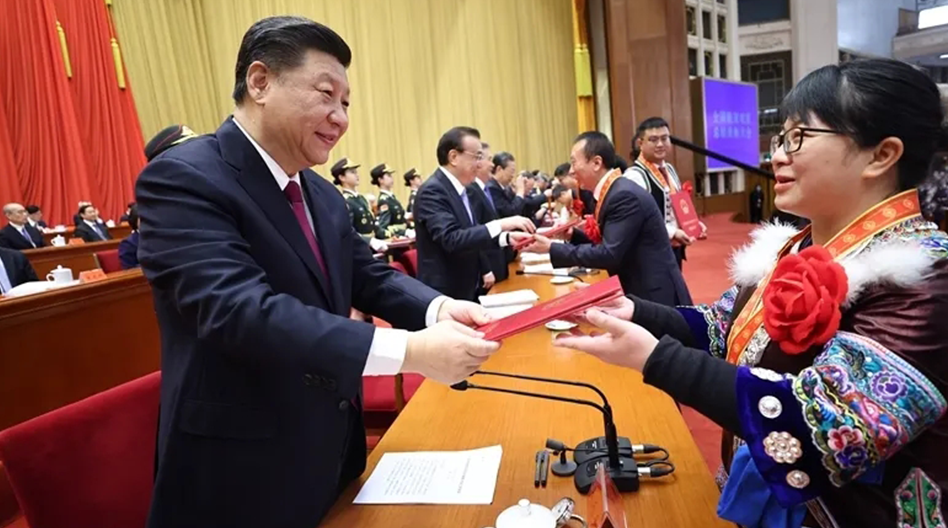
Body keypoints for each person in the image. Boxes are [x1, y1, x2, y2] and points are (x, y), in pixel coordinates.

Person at [134, 17, 500, 528]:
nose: (341, 118)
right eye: (326, 94)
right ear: (260, 82)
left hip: (330, 455)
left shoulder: (320, 192)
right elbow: (238, 311)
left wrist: (438, 308)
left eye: (347, 103)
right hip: (240, 474)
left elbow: (367, 276)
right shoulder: (184, 177)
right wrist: (410, 352)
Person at [555, 58, 948, 528]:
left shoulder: (925, 277)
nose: (777, 155)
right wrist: (632, 310)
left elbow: (827, 427)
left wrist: (656, 359)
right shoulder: (796, 245)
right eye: (781, 137)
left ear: (881, 155)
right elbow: (723, 328)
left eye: (799, 137)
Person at [525, 132, 691, 306]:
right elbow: (611, 242)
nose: (571, 171)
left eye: (574, 162)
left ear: (597, 163)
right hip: (640, 286)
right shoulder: (614, 190)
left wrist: (552, 248)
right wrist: (573, 235)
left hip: (654, 293)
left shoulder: (623, 195)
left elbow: (610, 254)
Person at [413, 126, 535, 301]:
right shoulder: (433, 191)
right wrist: (501, 224)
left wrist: (506, 238)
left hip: (466, 287)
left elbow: (471, 234)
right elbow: (452, 239)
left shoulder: (461, 189)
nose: (480, 164)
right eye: (476, 156)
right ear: (453, 157)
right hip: (447, 292)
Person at [624, 117, 707, 269]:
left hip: (674, 250)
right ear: (640, 143)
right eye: (653, 140)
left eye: (664, 138)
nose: (660, 144)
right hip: (650, 255)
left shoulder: (669, 169)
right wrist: (673, 233)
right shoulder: (634, 176)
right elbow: (639, 219)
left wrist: (693, 225)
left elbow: (676, 206)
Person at [466, 141, 508, 293]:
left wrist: (508, 238)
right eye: (489, 159)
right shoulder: (471, 190)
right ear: (478, 161)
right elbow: (475, 231)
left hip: (497, 261)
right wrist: (485, 269)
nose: (492, 165)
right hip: (488, 269)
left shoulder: (483, 189)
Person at [486, 152, 548, 218]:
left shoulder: (506, 188)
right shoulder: (492, 188)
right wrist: (520, 191)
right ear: (499, 169)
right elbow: (511, 213)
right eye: (511, 171)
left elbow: (525, 206)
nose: (513, 175)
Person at [371, 164, 408, 238]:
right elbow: (383, 227)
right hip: (396, 238)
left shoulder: (391, 198)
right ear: (380, 180)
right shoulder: (384, 201)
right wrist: (403, 232)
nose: (392, 178)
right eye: (388, 176)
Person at [118, 204, 140, 269]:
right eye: (143, 220)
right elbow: (129, 268)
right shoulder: (128, 244)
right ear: (135, 221)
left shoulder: (160, 237)